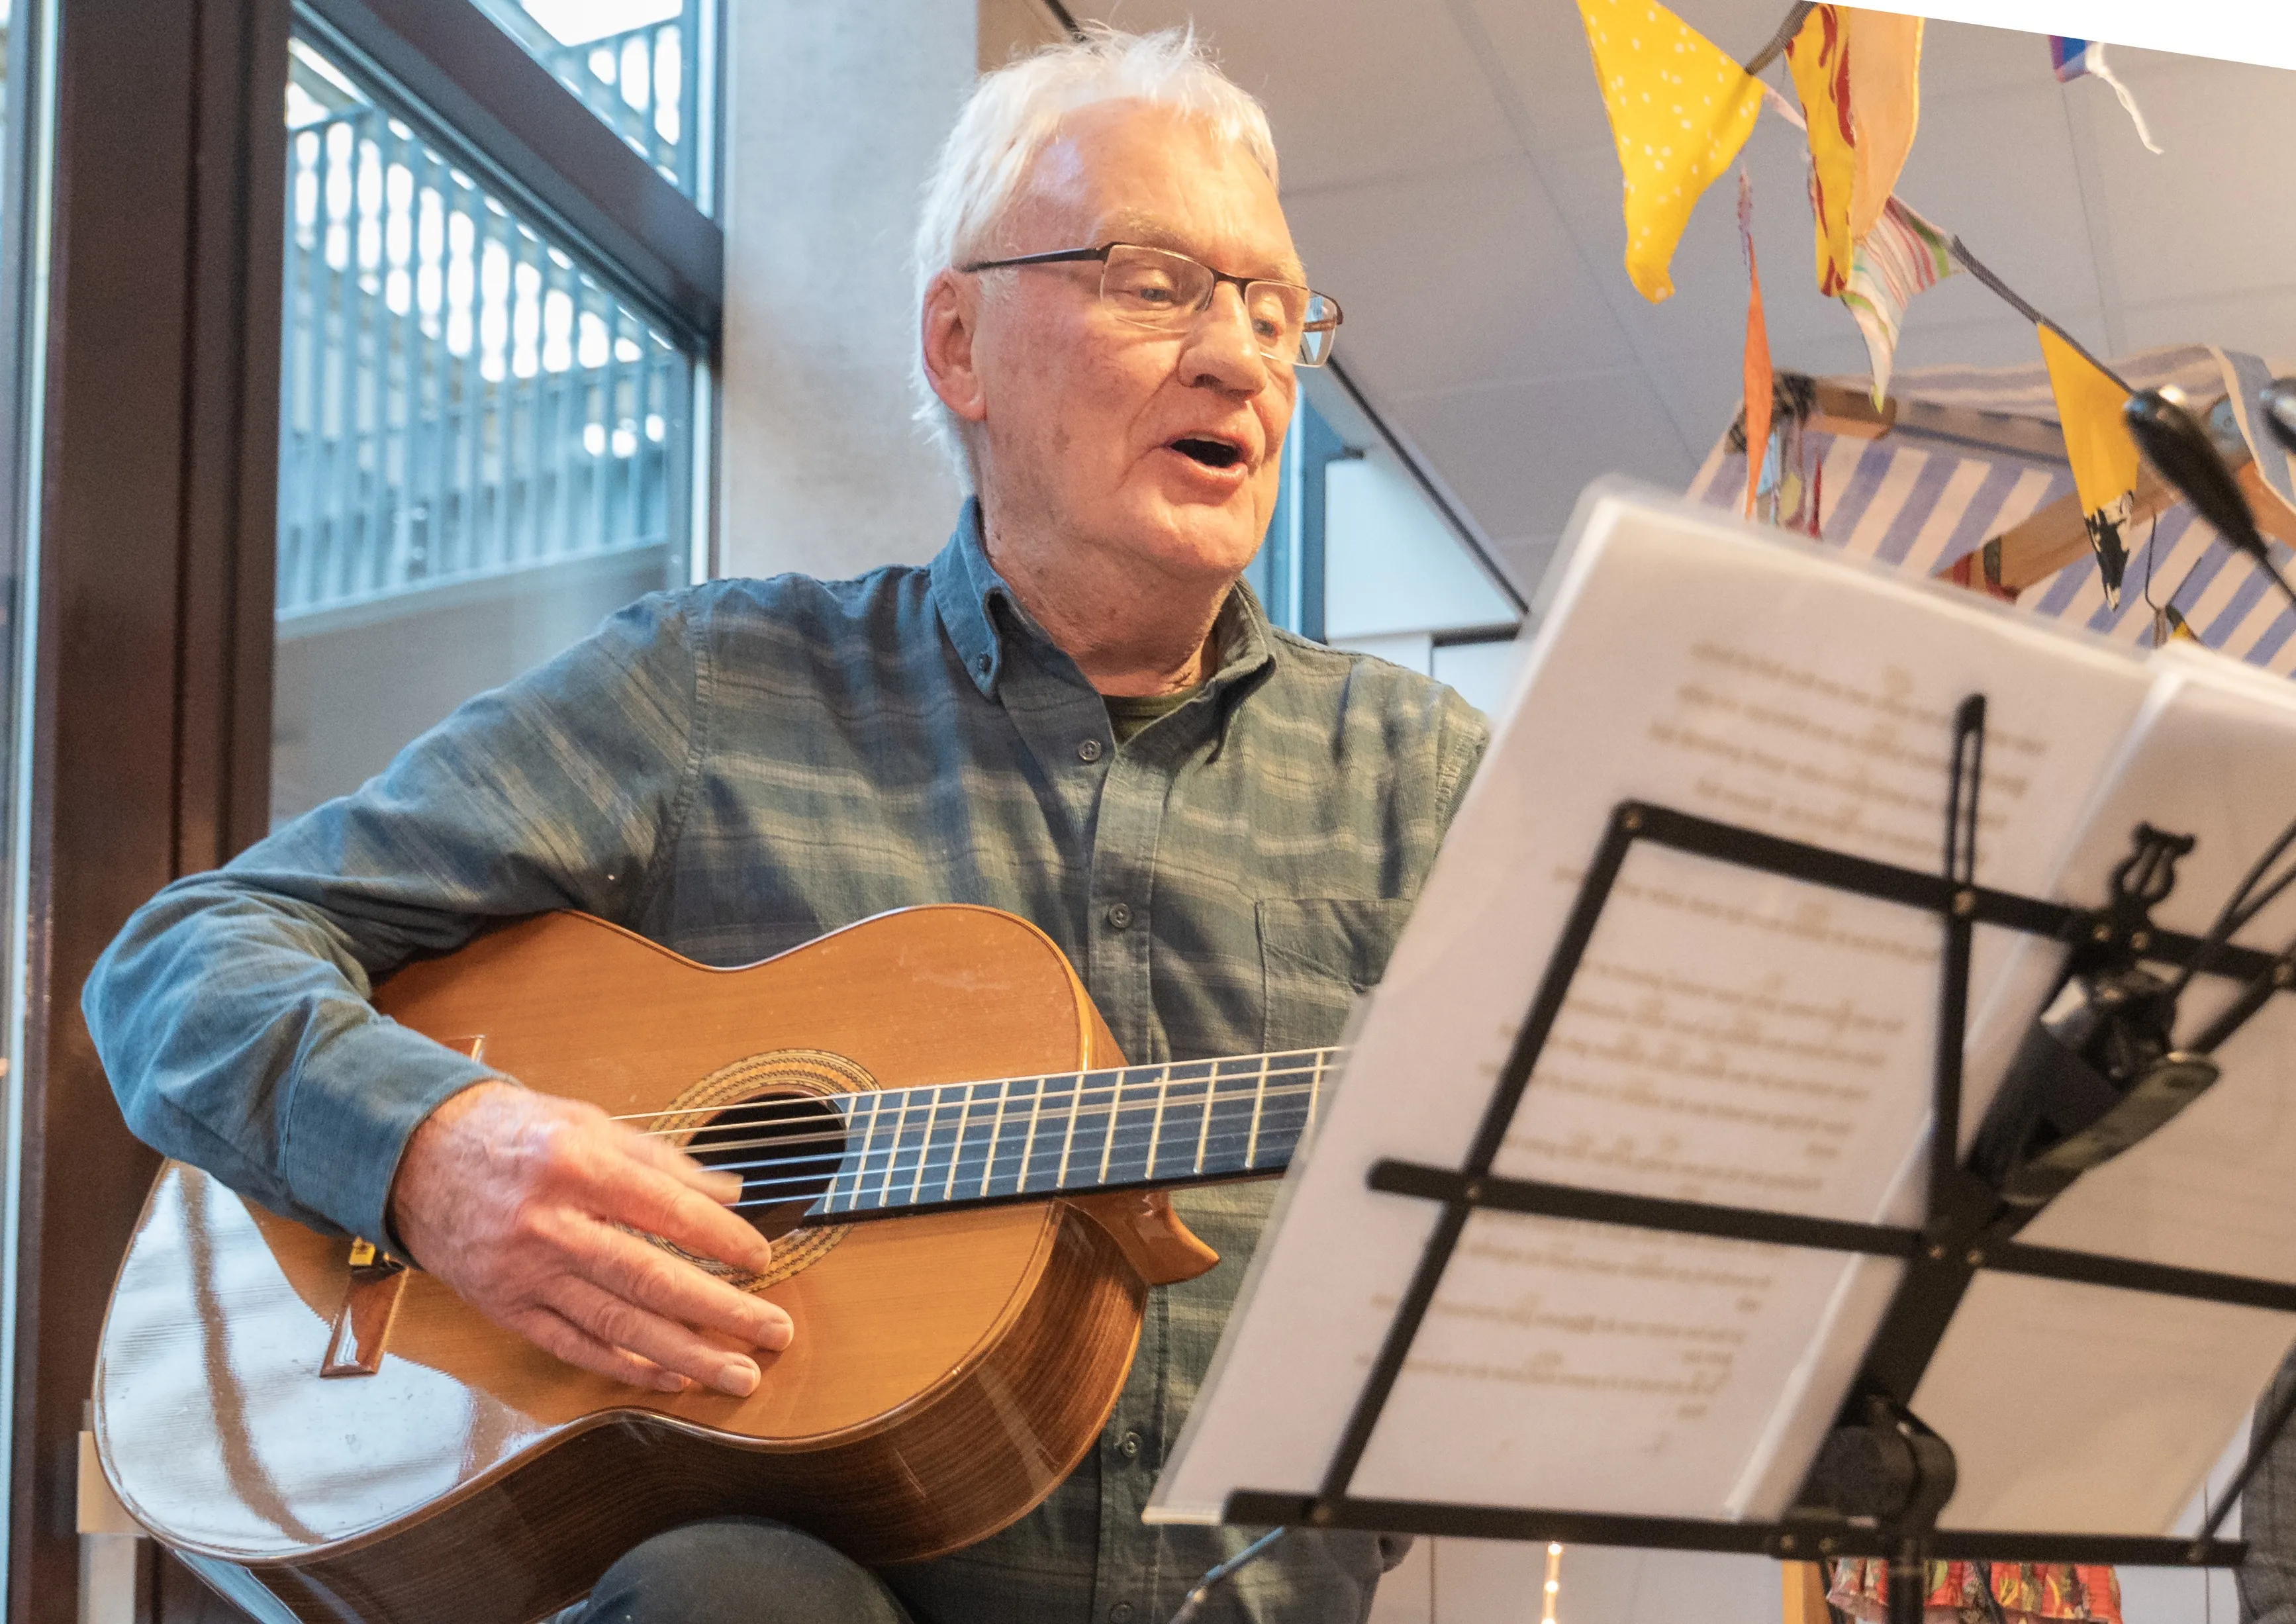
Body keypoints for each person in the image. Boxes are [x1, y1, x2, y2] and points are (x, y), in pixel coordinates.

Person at [84, 25, 1488, 1624]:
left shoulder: (1423, 775)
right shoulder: (714, 686)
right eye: (1156, 282)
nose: (1240, 355)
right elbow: (179, 962)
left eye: (1278, 309)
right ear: (958, 344)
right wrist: (428, 1150)